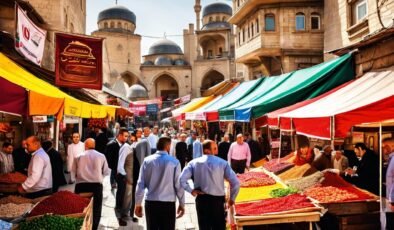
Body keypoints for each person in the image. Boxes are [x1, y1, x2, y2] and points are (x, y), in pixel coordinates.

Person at [180, 140, 240, 230]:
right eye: (215, 148)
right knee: (218, 226)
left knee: (204, 226)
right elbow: (235, 183)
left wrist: (191, 190)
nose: (217, 150)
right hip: (217, 202)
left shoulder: (193, 163)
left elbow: (181, 179)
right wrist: (232, 199)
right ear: (206, 150)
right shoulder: (222, 163)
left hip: (202, 200)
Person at [134, 137, 185, 229]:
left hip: (151, 202)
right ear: (168, 146)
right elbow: (178, 185)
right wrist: (182, 203)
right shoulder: (175, 162)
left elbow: (140, 183)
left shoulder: (147, 161)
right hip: (168, 203)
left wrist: (138, 203)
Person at [73, 138, 110, 230]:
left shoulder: (78, 156)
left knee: (80, 208)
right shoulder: (101, 156)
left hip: (81, 186)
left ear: (85, 146)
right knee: (96, 209)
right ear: (94, 145)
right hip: (96, 186)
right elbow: (106, 172)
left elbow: (73, 172)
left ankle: (82, 226)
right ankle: (94, 227)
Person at [131, 128, 151, 221]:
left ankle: (136, 208)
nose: (139, 134)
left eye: (140, 132)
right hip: (135, 171)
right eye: (138, 132)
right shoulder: (133, 144)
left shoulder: (143, 142)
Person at [116, 130, 132, 226]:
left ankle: (122, 215)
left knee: (123, 196)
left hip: (124, 175)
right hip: (123, 176)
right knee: (122, 197)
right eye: (125, 136)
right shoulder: (126, 147)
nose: (126, 138)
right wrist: (125, 175)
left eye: (127, 136)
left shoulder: (127, 146)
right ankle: (120, 218)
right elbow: (120, 164)